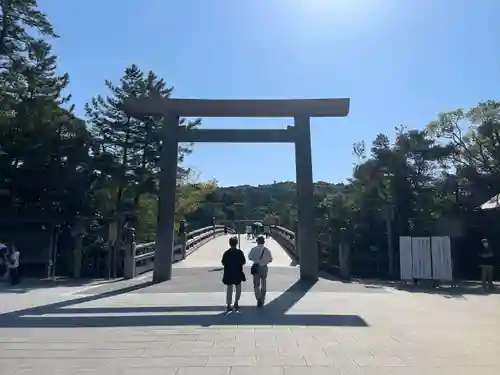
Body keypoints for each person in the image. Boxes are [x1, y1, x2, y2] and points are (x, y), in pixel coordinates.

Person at [221, 236, 246, 313]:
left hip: (229, 273)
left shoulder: (226, 253)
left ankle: (229, 305)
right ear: (237, 243)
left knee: (229, 289)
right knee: (238, 288)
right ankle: (236, 303)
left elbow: (223, 262)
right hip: (238, 273)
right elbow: (243, 262)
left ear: (229, 244)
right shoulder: (239, 252)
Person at [248, 235, 273, 307]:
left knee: (256, 285)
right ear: (264, 242)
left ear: (257, 242)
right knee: (264, 282)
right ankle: (263, 298)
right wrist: (265, 262)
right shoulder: (267, 250)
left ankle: (258, 299)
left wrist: (256, 260)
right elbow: (270, 259)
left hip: (256, 267)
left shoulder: (253, 249)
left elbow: (249, 257)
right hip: (264, 267)